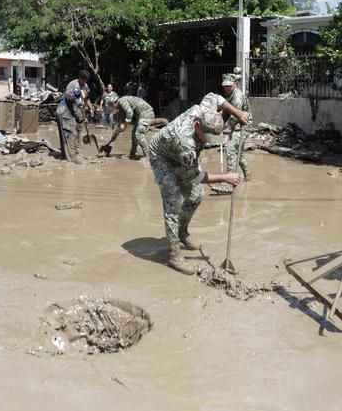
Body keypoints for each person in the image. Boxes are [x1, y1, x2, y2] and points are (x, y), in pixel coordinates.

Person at [148, 105, 249, 275]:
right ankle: (174, 255)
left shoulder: (202, 111)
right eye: (207, 137)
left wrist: (238, 114)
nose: (209, 141)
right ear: (197, 125)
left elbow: (216, 98)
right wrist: (225, 177)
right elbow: (195, 176)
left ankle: (182, 232)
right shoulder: (185, 145)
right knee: (172, 203)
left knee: (196, 195)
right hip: (162, 157)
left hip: (177, 153)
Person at [221, 72, 252, 181]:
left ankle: (229, 180)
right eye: (225, 86)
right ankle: (247, 175)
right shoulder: (230, 95)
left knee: (230, 148)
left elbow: (235, 117)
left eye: (229, 86)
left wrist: (222, 127)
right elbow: (227, 110)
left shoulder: (237, 97)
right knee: (239, 151)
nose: (227, 88)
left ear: (234, 84)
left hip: (243, 125)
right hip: (236, 126)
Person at [105, 95, 155, 159]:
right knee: (134, 134)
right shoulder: (121, 110)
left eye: (111, 106)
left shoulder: (121, 101)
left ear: (113, 103)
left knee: (139, 134)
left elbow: (130, 113)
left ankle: (148, 156)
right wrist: (114, 137)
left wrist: (125, 125)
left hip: (146, 113)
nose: (113, 108)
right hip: (140, 117)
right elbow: (119, 126)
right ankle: (132, 154)